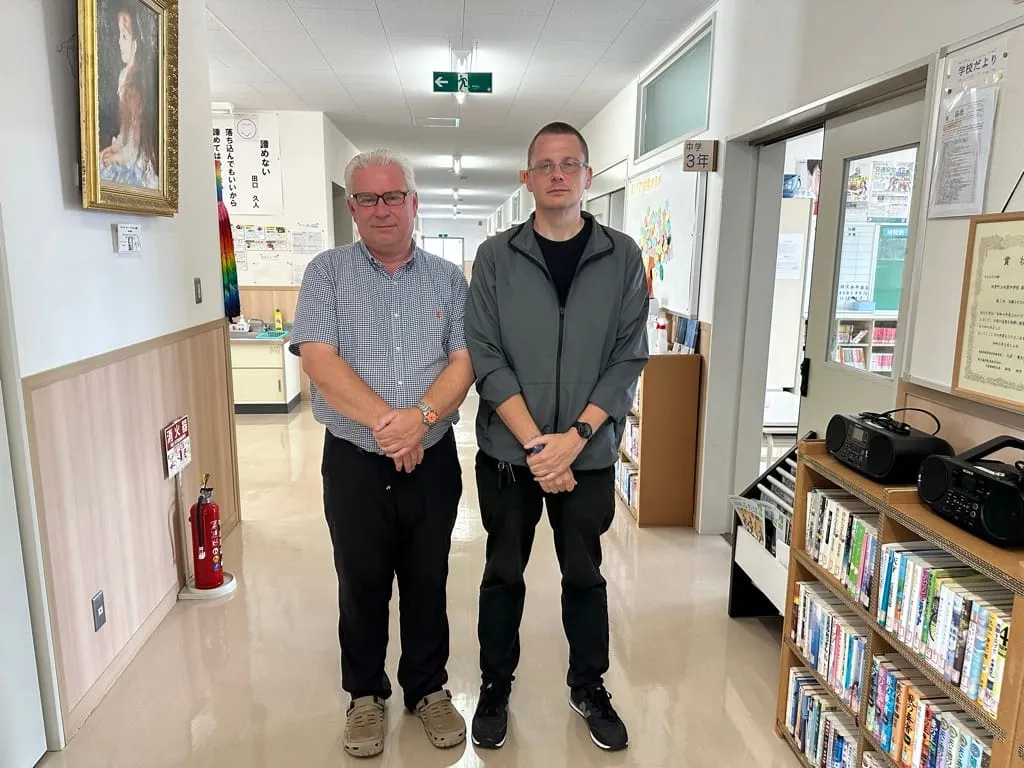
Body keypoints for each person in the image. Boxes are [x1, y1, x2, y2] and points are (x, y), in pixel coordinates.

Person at [465, 122, 650, 752]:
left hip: (587, 456)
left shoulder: (622, 256)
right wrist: (538, 447)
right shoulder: (496, 256)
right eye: (544, 165)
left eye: (570, 164)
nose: (557, 175)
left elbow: (627, 358)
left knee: (586, 575)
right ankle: (495, 685)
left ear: (588, 176)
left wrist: (576, 437)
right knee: (502, 574)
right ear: (527, 178)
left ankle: (589, 685)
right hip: (508, 456)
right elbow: (486, 355)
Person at [290, 149, 474, 758]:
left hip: (433, 460)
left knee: (428, 577)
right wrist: (391, 428)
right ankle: (365, 694)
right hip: (354, 463)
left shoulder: (447, 279)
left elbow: (464, 361)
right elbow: (318, 359)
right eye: (367, 198)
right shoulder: (327, 273)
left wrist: (421, 421)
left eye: (393, 196)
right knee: (360, 580)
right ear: (352, 207)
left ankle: (428, 688)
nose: (382, 209)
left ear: (413, 203)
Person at [100, 3, 158, 189]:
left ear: (135, 45)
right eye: (119, 35)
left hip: (138, 167)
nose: (119, 42)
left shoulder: (134, 85)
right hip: (129, 156)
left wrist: (115, 157)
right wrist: (114, 148)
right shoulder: (124, 76)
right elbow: (125, 133)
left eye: (124, 36)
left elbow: (132, 152)